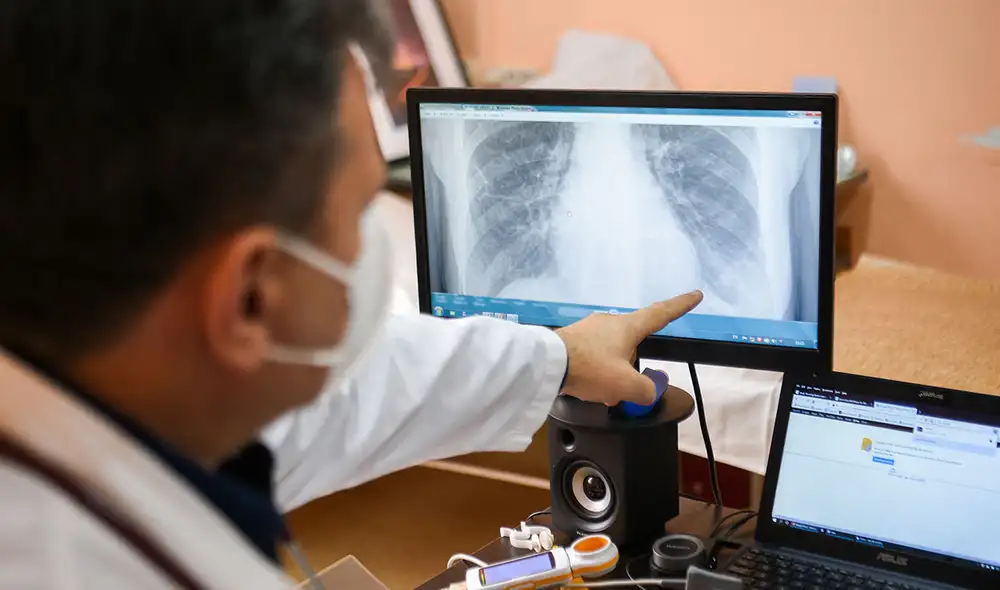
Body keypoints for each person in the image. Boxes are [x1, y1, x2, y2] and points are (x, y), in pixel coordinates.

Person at [0, 1, 703, 588]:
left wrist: (559, 357)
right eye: (364, 207)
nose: (371, 249)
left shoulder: (137, 390)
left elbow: (350, 394)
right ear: (251, 298)